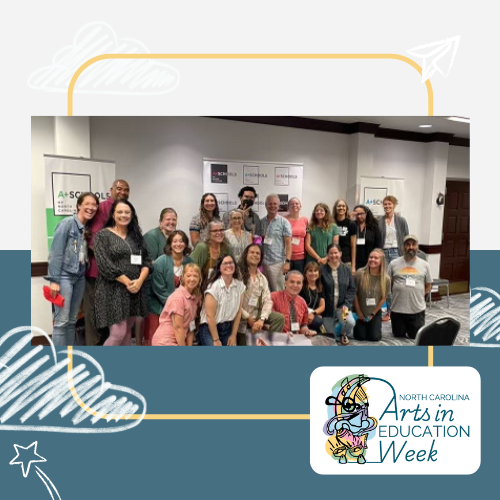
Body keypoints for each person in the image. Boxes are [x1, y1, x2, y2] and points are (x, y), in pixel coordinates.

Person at [94, 200, 153, 346]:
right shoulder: (102, 236)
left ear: (132, 215)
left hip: (134, 290)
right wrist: (128, 282)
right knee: (117, 333)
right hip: (112, 290)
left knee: (127, 332)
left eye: (127, 212)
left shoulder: (136, 237)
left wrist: (139, 282)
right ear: (113, 215)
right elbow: (105, 265)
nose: (124, 215)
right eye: (119, 212)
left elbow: (147, 261)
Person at [46, 192, 99, 346]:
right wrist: (54, 280)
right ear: (78, 206)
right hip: (64, 277)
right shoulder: (67, 224)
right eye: (87, 204)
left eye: (94, 205)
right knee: (61, 321)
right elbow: (56, 254)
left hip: (79, 277)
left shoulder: (87, 228)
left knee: (71, 320)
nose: (91, 207)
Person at [84, 179, 130, 346]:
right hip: (97, 275)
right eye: (119, 189)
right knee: (95, 318)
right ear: (111, 190)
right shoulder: (103, 208)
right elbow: (94, 241)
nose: (123, 192)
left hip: (118, 277)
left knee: (115, 324)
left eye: (126, 190)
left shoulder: (127, 211)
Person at [145, 230, 193, 345]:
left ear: (186, 244)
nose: (178, 244)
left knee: (180, 340)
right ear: (170, 244)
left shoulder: (190, 262)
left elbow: (193, 285)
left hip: (182, 309)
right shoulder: (160, 262)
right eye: (175, 241)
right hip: (159, 308)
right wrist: (177, 307)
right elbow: (159, 290)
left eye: (181, 241)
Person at [238, 244, 285, 345]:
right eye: (252, 252)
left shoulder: (262, 278)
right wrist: (248, 318)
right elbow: (234, 302)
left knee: (278, 318)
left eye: (258, 253)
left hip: (257, 314)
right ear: (246, 255)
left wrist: (262, 320)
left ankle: (269, 343)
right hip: (241, 316)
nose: (255, 255)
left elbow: (267, 301)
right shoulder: (238, 275)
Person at [387, 235, 432, 340]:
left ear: (417, 247)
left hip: (416, 310)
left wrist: (420, 295)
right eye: (408, 244)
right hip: (398, 310)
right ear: (403, 247)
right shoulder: (393, 264)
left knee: (415, 337)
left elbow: (428, 284)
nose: (411, 247)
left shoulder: (425, 265)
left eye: (413, 244)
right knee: (398, 335)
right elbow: (389, 282)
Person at [198, 255, 246, 346]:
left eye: (231, 262)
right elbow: (209, 316)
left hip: (227, 328)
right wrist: (216, 340)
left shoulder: (240, 286)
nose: (228, 265)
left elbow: (238, 312)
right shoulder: (214, 287)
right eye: (225, 263)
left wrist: (233, 335)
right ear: (219, 268)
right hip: (209, 328)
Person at [151, 263, 201, 346]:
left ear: (199, 279)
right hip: (165, 342)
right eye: (188, 276)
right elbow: (178, 328)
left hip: (179, 340)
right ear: (183, 277)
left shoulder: (194, 299)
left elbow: (191, 327)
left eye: (195, 276)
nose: (192, 279)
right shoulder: (177, 298)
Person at [378, 195, 409, 321]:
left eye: (389, 204)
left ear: (394, 205)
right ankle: (388, 312)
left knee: (397, 283)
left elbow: (407, 238)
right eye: (385, 204)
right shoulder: (379, 220)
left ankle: (398, 311)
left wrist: (407, 256)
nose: (387, 206)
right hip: (384, 253)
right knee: (386, 283)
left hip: (397, 253)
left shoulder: (401, 220)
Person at [321, 244, 355, 345]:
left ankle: (343, 333)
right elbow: (320, 291)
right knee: (330, 339)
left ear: (340, 254)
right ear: (327, 255)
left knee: (350, 322)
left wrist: (346, 305)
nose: (333, 255)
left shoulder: (346, 269)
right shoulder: (322, 270)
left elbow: (352, 289)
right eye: (330, 253)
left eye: (336, 252)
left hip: (342, 306)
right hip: (327, 308)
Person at [353, 249, 391, 342]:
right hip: (360, 310)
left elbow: (383, 298)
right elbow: (354, 294)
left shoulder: (386, 279)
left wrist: (373, 313)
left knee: (374, 337)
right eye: (371, 257)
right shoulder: (360, 273)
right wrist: (359, 313)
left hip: (374, 312)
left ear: (381, 261)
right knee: (360, 336)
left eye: (376, 258)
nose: (372, 260)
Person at [260, 194, 292, 292]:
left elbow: (288, 244)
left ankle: (279, 308)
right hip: (263, 263)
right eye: (270, 204)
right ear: (265, 205)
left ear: (278, 206)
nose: (272, 206)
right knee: (265, 290)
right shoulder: (261, 222)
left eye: (275, 204)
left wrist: (287, 262)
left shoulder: (284, 222)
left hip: (277, 263)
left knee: (278, 291)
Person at [271, 271, 314, 336]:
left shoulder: (302, 302)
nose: (295, 285)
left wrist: (307, 332)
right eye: (292, 282)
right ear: (285, 283)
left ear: (302, 285)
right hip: (277, 339)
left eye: (298, 283)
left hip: (296, 339)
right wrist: (282, 335)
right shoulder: (273, 297)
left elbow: (303, 326)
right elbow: (266, 323)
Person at [190, 220, 233, 286]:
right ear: (208, 233)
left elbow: (232, 269)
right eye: (215, 231)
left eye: (221, 230)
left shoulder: (227, 248)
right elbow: (191, 270)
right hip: (200, 286)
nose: (219, 233)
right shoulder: (202, 248)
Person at [353, 204, 382, 271]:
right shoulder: (352, 225)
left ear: (366, 213)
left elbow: (378, 245)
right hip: (355, 261)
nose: (359, 216)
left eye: (361, 214)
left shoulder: (374, 227)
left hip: (370, 260)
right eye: (356, 214)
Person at [300, 261, 327, 334]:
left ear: (319, 273)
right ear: (305, 273)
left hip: (313, 315)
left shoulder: (320, 287)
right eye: (310, 271)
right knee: (318, 321)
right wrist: (307, 315)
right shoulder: (301, 286)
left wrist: (313, 313)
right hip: (301, 314)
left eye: (315, 271)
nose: (313, 273)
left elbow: (322, 306)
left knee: (320, 322)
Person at [285, 197, 308, 274]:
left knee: (299, 280)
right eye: (291, 204)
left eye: (297, 203)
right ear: (288, 207)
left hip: (301, 258)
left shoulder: (305, 220)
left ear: (300, 206)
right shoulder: (284, 220)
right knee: (286, 281)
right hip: (287, 257)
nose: (294, 205)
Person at [333, 199, 357, 272]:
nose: (341, 208)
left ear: (346, 209)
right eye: (339, 206)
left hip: (346, 260)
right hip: (333, 258)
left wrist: (353, 266)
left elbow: (353, 246)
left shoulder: (351, 224)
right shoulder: (331, 222)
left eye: (343, 206)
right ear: (335, 208)